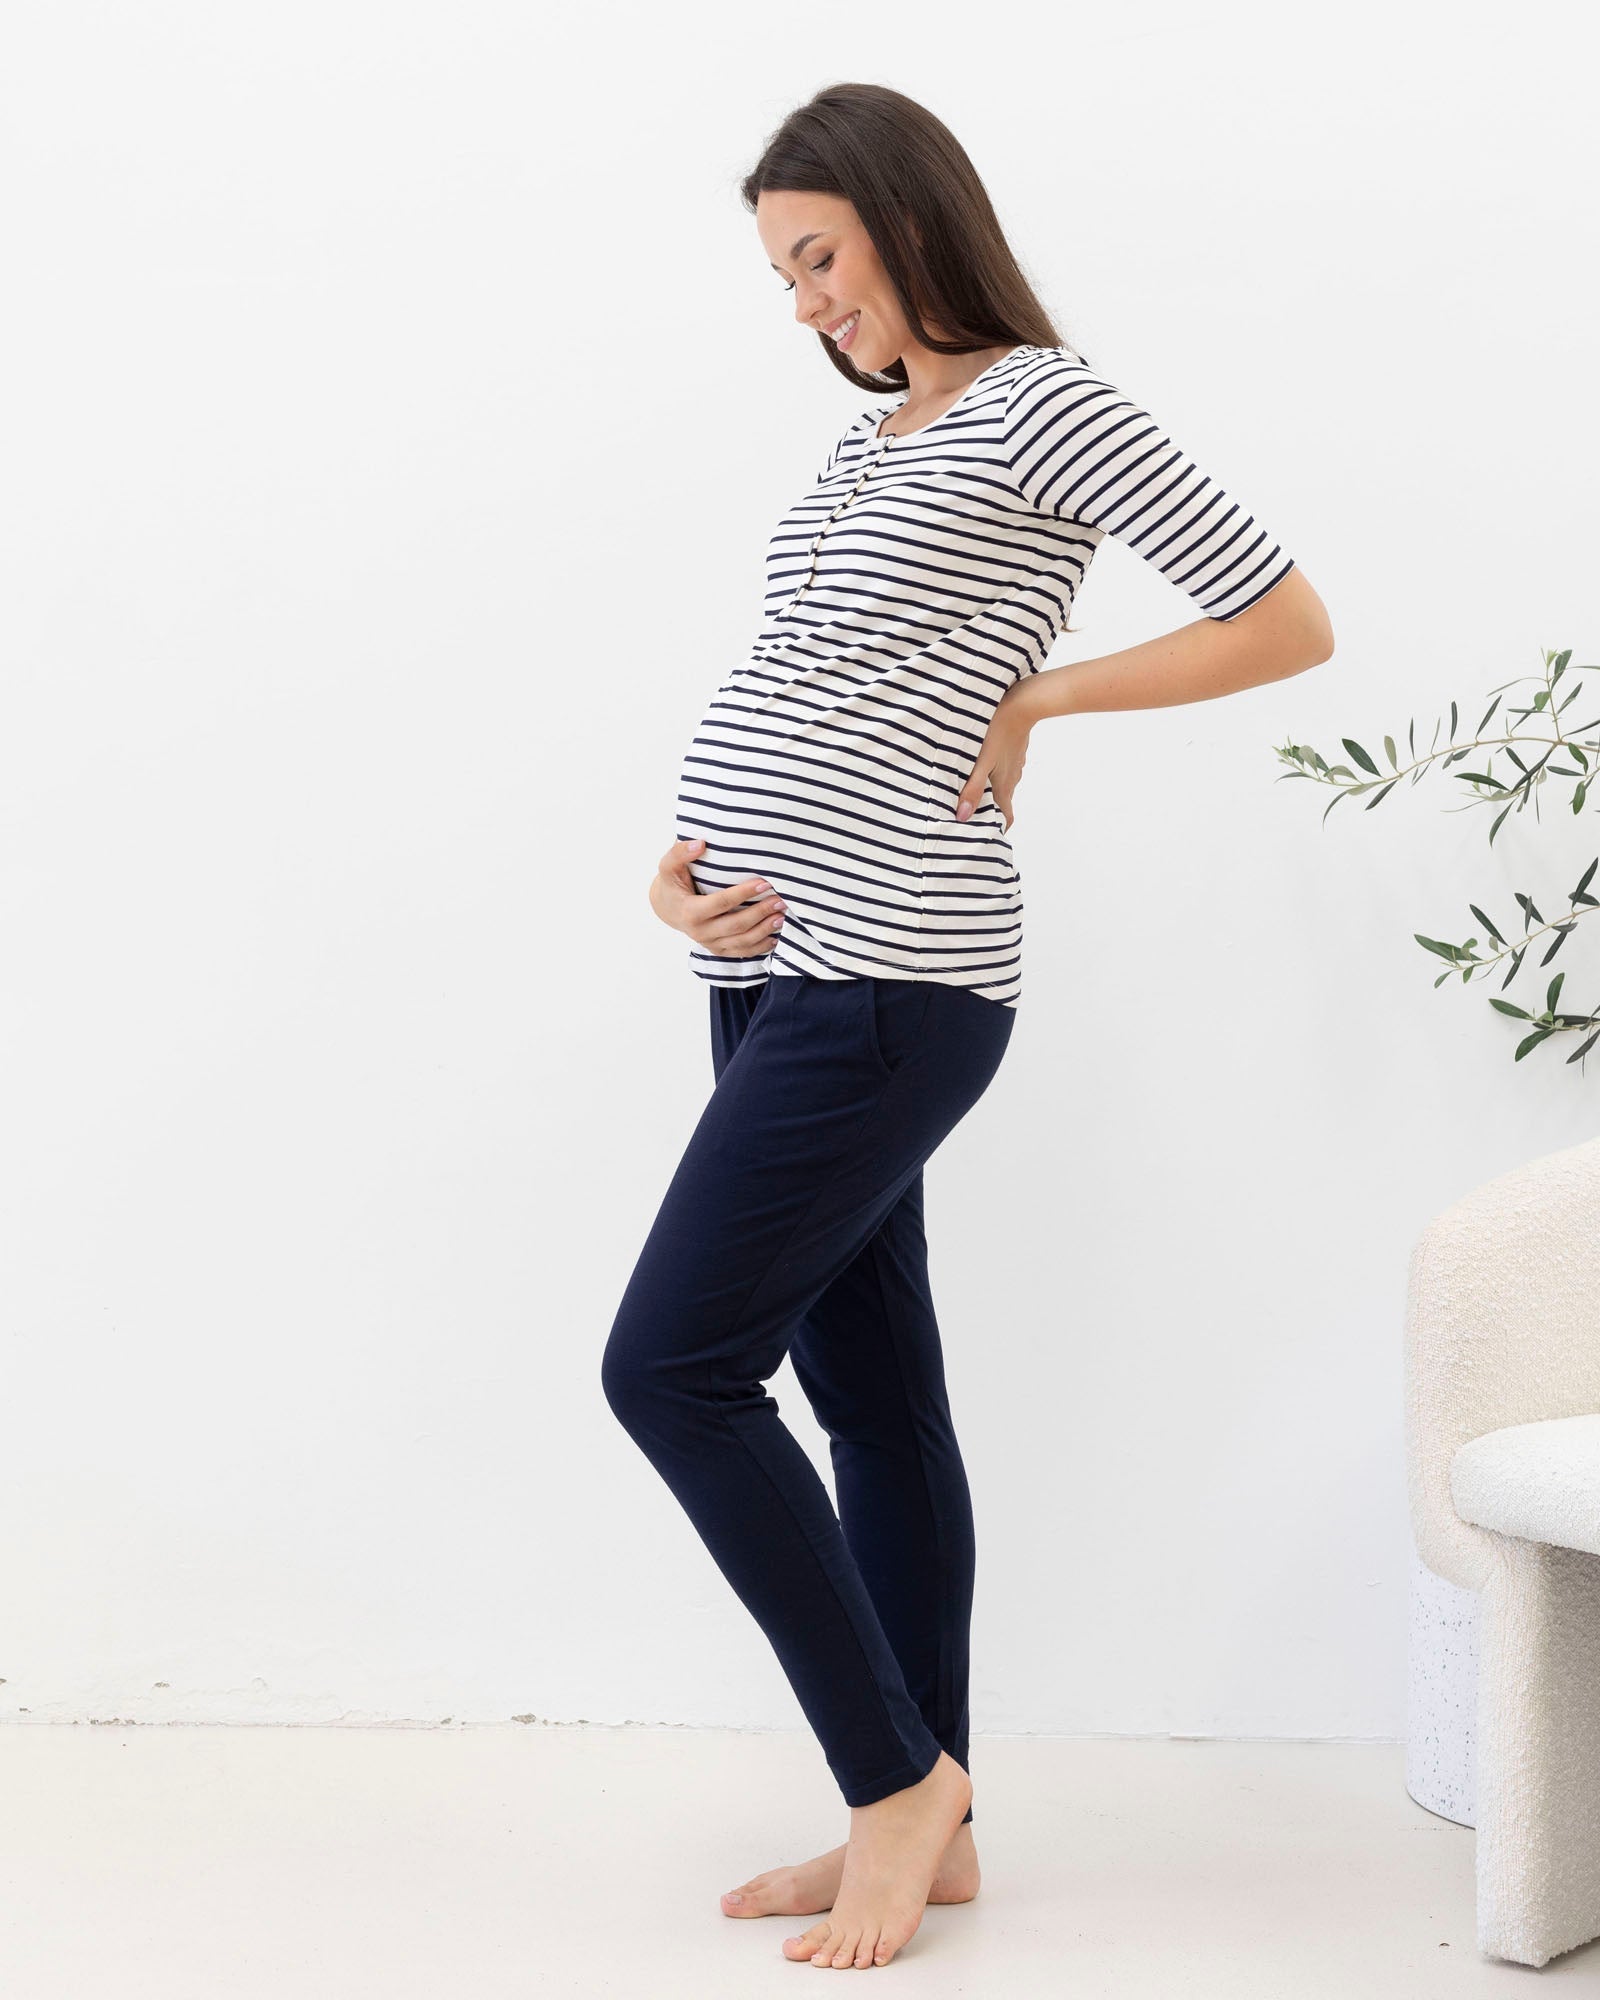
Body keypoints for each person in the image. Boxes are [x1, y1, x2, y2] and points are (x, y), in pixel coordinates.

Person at [601, 81, 1333, 1973]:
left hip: (896, 976)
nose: (804, 304)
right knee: (867, 1395)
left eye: (819, 257)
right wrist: (687, 875)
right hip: (766, 975)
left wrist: (1052, 700)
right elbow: (808, 673)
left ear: (912, 220)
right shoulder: (864, 450)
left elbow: (1283, 617)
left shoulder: (1043, 403)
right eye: (781, 274)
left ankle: (891, 1784)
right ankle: (943, 1819)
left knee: (671, 1368)